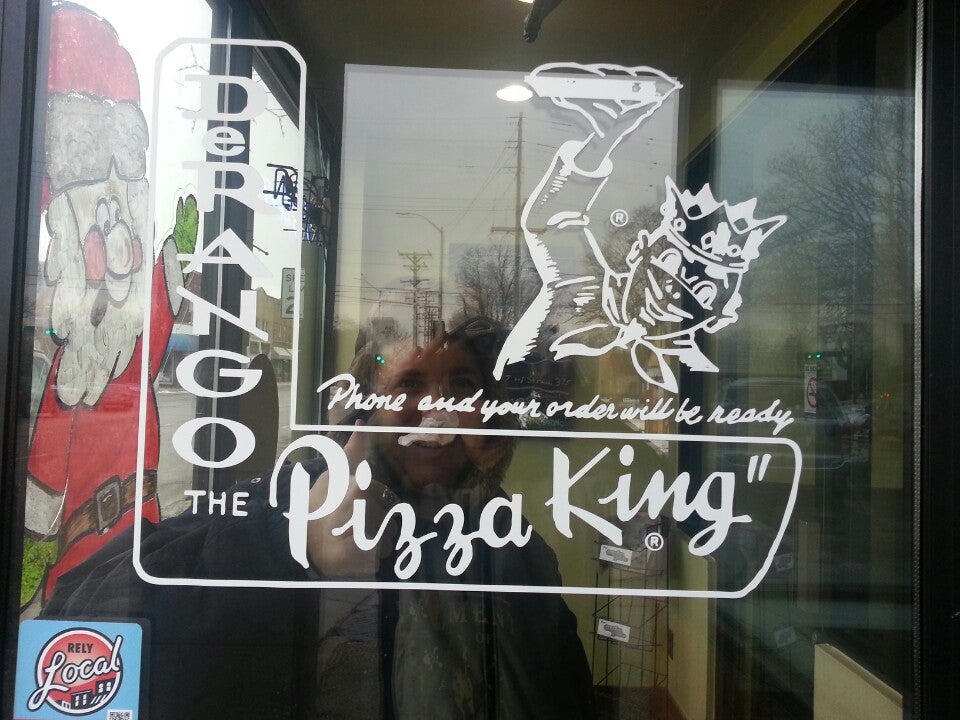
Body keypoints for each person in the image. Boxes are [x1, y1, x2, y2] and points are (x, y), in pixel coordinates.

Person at [44, 317, 596, 720]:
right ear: (362, 409)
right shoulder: (285, 497)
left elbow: (563, 693)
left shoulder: (513, 546)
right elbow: (78, 618)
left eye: (463, 387)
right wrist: (295, 541)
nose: (437, 408)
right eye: (410, 384)